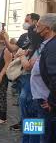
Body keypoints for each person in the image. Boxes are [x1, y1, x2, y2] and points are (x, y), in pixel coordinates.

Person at [3, 13, 42, 132]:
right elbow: (14, 50)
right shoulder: (34, 43)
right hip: (24, 76)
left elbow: (28, 66)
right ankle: (26, 128)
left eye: (27, 21)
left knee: (29, 104)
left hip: (34, 80)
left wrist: (23, 56)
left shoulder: (42, 45)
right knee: (25, 103)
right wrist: (5, 38)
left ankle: (31, 131)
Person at [34, 13, 56, 143]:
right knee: (33, 128)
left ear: (47, 28)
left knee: (45, 135)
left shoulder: (53, 46)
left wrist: (52, 102)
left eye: (38, 26)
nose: (35, 29)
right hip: (36, 96)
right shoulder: (45, 43)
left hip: (45, 101)